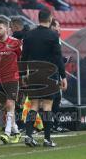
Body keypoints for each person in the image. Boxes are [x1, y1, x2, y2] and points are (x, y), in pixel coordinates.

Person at [22, 8, 67, 147]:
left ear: (38, 19)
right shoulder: (53, 36)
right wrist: (63, 76)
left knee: (34, 105)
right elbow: (58, 58)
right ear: (50, 18)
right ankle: (47, 139)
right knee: (47, 106)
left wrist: (23, 74)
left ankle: (28, 135)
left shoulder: (28, 35)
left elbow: (23, 57)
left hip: (33, 74)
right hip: (49, 74)